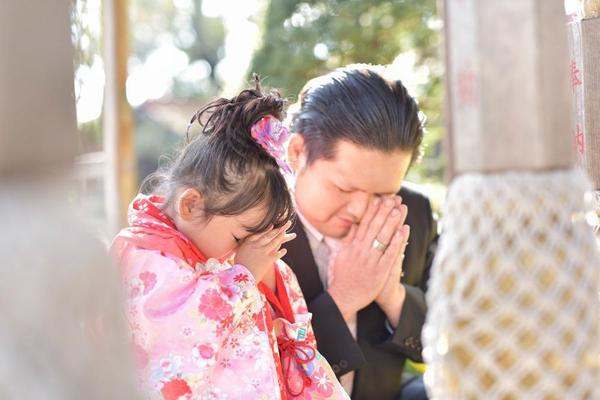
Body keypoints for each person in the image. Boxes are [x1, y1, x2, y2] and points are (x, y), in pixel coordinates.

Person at [111, 81, 350, 399]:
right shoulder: (145, 256)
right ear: (190, 204)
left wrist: (260, 276)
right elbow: (173, 346)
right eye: (240, 235)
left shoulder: (216, 253)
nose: (249, 249)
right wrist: (241, 280)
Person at [282, 65, 438, 400]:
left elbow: (456, 338)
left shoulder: (413, 213)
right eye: (343, 188)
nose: (360, 210)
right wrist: (344, 299)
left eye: (381, 194)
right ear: (298, 152)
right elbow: (253, 370)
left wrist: (392, 296)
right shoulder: (251, 224)